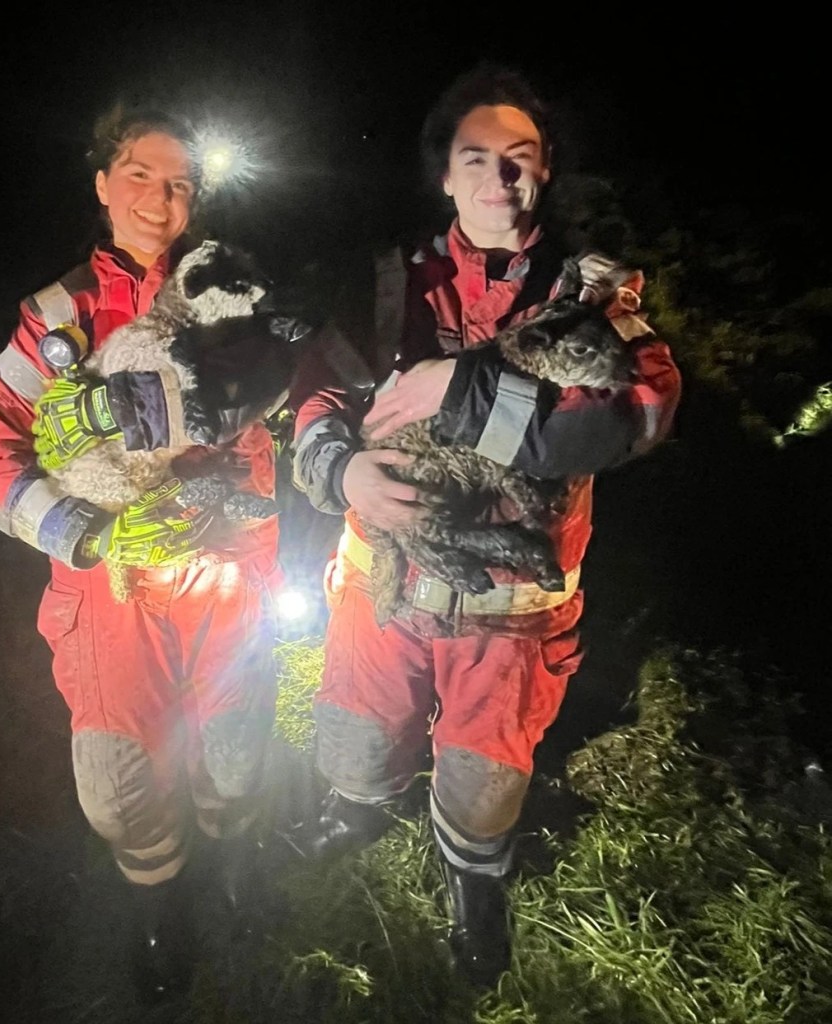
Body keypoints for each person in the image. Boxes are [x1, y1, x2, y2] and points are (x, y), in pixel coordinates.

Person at [287, 61, 682, 987]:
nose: (499, 180)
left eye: (521, 158)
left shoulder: (588, 292)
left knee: (484, 774)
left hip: (511, 608)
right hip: (381, 586)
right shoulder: (392, 285)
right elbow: (318, 393)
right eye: (477, 158)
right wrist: (340, 468)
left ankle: (474, 881)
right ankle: (356, 805)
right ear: (444, 174)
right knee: (356, 729)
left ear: (546, 171)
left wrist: (458, 391)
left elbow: (640, 411)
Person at [0, 101, 294, 1001]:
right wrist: (82, 530)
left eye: (179, 182)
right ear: (102, 183)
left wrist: (261, 549)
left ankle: (232, 870)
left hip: (225, 570)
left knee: (235, 751)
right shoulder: (58, 319)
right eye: (139, 174)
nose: (159, 197)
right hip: (112, 585)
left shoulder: (231, 293)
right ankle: (161, 904)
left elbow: (273, 418)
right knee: (119, 783)